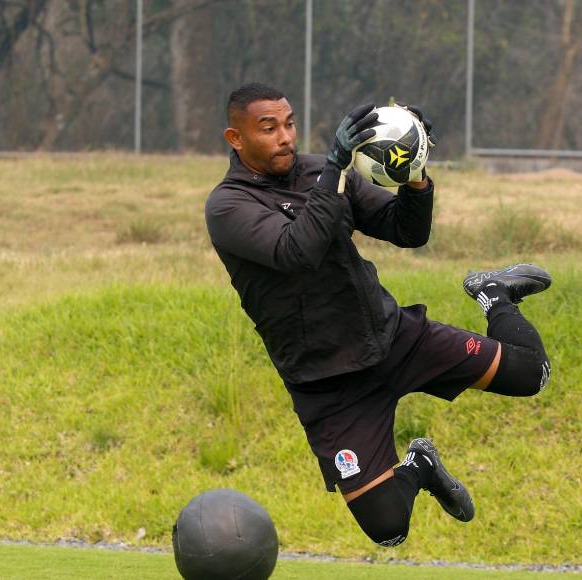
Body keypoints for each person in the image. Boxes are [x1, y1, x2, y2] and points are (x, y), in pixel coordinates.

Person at [205, 82, 552, 547]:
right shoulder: (228, 206)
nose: (286, 137)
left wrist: (415, 173)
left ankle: (493, 294)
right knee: (389, 530)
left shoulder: (318, 173)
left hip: (395, 340)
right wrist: (334, 171)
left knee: (532, 374)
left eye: (289, 124)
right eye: (269, 129)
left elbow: (406, 230)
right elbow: (296, 251)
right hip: (328, 386)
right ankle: (421, 465)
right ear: (236, 138)